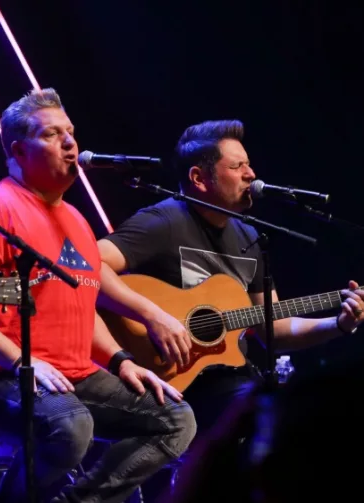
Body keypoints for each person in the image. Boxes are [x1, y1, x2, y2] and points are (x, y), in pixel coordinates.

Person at [0, 87, 196, 503]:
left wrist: (119, 360)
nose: (70, 142)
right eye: (52, 135)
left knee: (175, 418)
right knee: (71, 426)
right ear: (19, 151)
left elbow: (81, 303)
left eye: (70, 132)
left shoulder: (75, 220)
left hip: (70, 375)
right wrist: (22, 361)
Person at [96, 119, 364, 434]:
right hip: (171, 382)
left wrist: (338, 325)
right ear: (198, 178)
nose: (251, 175)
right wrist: (152, 315)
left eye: (249, 165)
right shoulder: (163, 221)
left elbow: (273, 327)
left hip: (230, 381)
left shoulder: (249, 236)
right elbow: (90, 264)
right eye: (238, 167)